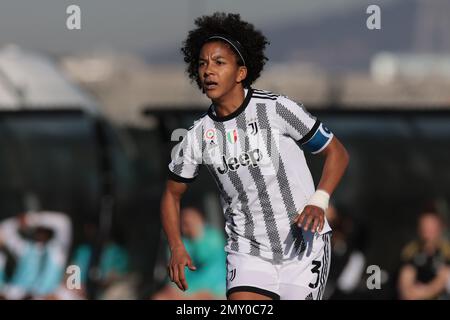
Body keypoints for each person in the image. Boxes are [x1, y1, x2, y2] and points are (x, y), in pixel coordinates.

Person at [160, 12, 349, 300]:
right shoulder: (197, 136)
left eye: (219, 63)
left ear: (241, 72)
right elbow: (172, 194)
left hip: (303, 247)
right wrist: (176, 246)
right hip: (247, 252)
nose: (208, 70)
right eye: (202, 64)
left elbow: (337, 153)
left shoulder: (277, 109)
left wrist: (318, 202)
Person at [153, 207, 226, 300]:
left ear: (201, 221)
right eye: (185, 223)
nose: (189, 225)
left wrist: (197, 238)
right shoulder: (178, 246)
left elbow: (214, 271)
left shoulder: (213, 237)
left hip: (215, 288)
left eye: (192, 221)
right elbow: (177, 275)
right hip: (188, 289)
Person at [0, 211, 72, 299]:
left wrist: (33, 219)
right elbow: (4, 229)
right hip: (19, 295)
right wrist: (20, 221)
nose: (41, 234)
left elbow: (63, 222)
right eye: (38, 231)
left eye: (44, 230)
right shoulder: (25, 249)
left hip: (46, 296)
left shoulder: (58, 250)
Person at [398, 210, 450, 300]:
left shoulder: (447, 252)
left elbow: (445, 277)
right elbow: (405, 285)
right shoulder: (410, 252)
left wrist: (425, 292)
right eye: (425, 227)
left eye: (432, 227)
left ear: (440, 228)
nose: (428, 231)